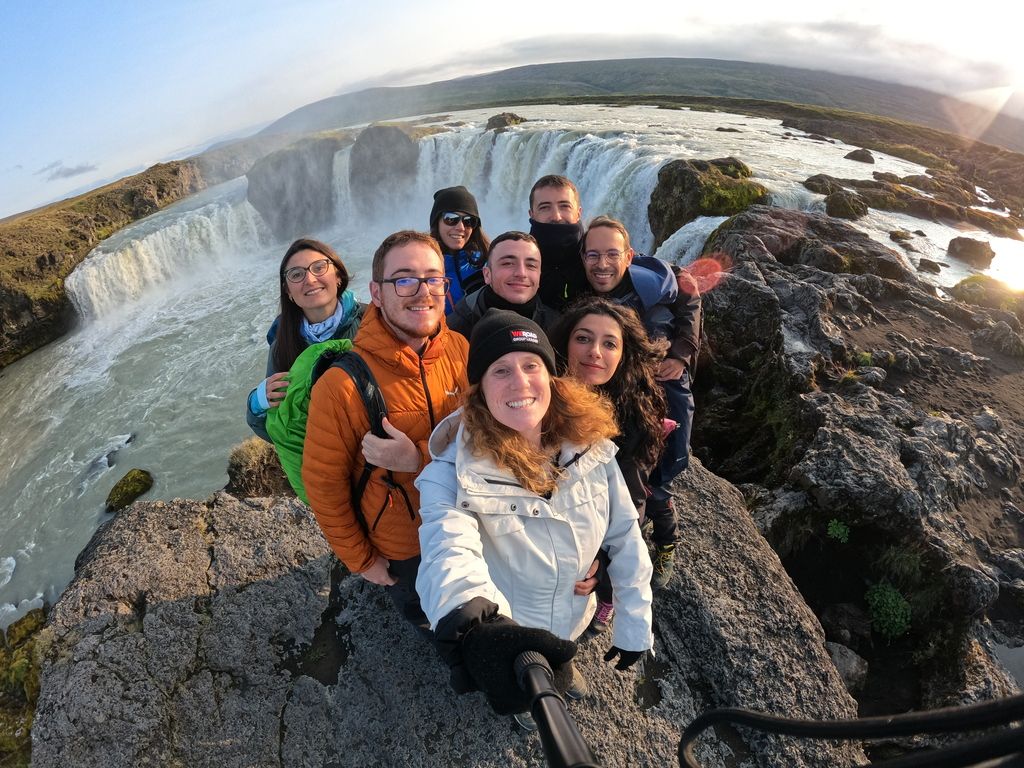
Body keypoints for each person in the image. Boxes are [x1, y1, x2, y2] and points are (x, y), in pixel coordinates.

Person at [416, 310, 653, 730]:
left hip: (576, 611)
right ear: (479, 392)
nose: (520, 382)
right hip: (514, 630)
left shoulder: (591, 445)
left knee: (567, 647)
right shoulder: (448, 476)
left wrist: (635, 624)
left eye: (531, 365)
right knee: (532, 695)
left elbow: (625, 536)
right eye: (500, 370)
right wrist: (474, 623)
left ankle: (566, 666)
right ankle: (531, 706)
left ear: (551, 376)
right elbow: (447, 551)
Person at [302, 231, 469, 630]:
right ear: (376, 292)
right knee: (427, 618)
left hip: (467, 521)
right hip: (404, 546)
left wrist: (417, 459)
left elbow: (483, 438)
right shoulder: (341, 387)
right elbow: (323, 485)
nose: (423, 291)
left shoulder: (460, 348)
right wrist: (361, 559)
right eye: (405, 279)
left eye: (433, 278)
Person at [579, 216, 701, 589]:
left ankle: (665, 544)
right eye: (593, 255)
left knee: (656, 485)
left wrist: (680, 354)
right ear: (582, 257)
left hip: (650, 401)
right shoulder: (576, 289)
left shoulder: (655, 287)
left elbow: (690, 291)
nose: (602, 264)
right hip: (610, 403)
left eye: (612, 254)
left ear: (629, 255)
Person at [549, 297, 669, 634]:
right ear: (565, 343)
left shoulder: (634, 412)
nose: (595, 352)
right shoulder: (538, 400)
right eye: (583, 338)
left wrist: (600, 558)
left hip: (602, 528)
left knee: (604, 576)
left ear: (624, 354)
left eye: (609, 343)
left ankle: (607, 601)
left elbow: (631, 500)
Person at [245, 238, 364, 442]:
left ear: (338, 275)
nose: (309, 279)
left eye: (319, 267)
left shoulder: (372, 321)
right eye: (297, 274)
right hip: (327, 458)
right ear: (288, 292)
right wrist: (256, 405)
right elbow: (280, 431)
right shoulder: (282, 345)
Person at [447, 231, 558, 339]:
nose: (521, 273)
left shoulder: (558, 329)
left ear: (539, 275)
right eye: (508, 263)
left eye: (531, 265)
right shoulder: (454, 332)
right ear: (487, 275)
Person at [527, 175, 589, 310]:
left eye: (564, 206)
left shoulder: (596, 257)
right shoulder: (516, 259)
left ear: (579, 213)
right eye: (545, 207)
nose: (556, 216)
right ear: (531, 214)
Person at [428, 186, 490, 312]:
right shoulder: (421, 266)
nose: (461, 227)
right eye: (451, 219)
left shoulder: (487, 262)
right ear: (437, 222)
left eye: (469, 221)